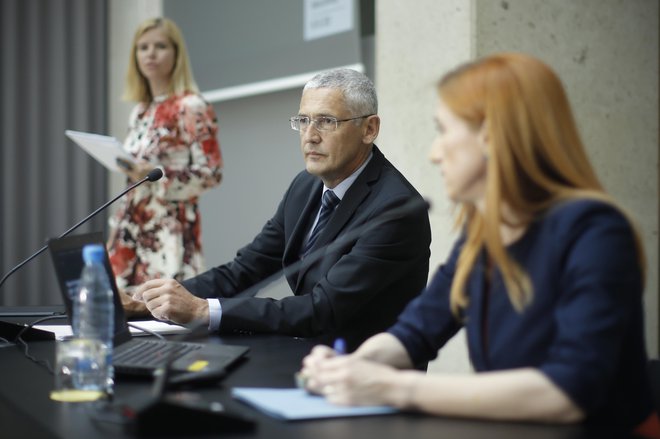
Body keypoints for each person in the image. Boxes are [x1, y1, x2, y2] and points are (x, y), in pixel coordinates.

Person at [300, 53, 660, 437]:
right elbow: (416, 332)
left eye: (443, 131)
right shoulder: (484, 236)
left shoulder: (596, 232)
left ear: (492, 137)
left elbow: (568, 391)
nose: (434, 153)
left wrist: (393, 387)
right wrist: (349, 368)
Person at [130, 68, 431, 347]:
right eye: (303, 121)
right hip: (306, 356)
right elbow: (244, 271)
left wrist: (202, 310)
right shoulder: (306, 186)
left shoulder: (396, 210)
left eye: (326, 121)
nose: (310, 136)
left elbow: (322, 308)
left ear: (369, 129)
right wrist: (152, 302)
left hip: (367, 379)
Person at [107, 17, 223, 299]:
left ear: (176, 53)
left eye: (160, 46)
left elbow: (212, 172)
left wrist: (158, 175)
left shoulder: (191, 106)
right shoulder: (140, 111)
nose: (150, 54)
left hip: (169, 235)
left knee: (163, 317)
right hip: (130, 231)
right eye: (143, 47)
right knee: (121, 318)